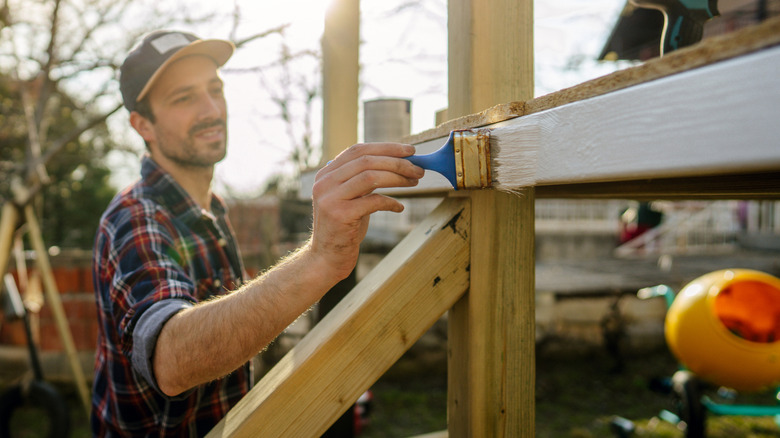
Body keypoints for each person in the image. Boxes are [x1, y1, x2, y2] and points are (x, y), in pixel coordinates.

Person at [92, 30, 423, 436]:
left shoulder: (210, 209)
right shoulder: (134, 217)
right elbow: (172, 360)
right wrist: (319, 260)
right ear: (143, 124)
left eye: (215, 89)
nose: (211, 109)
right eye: (184, 98)